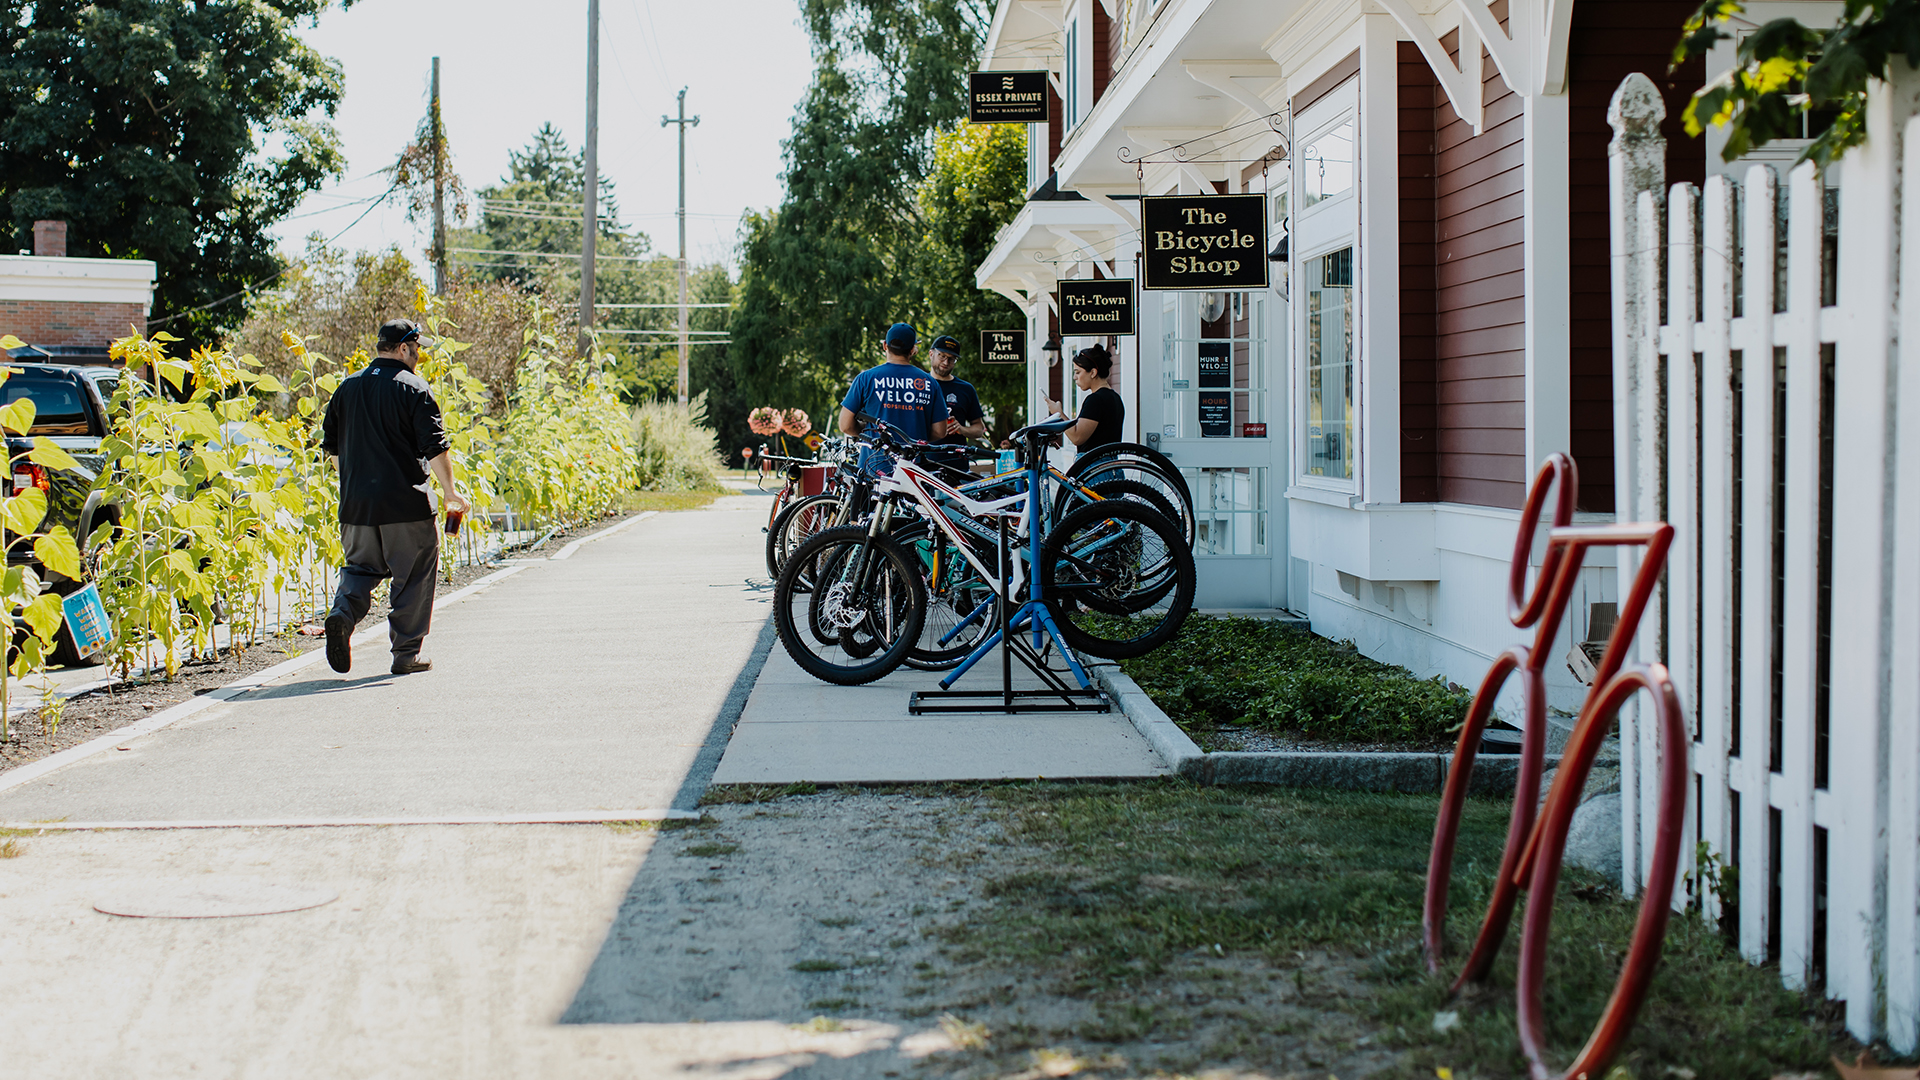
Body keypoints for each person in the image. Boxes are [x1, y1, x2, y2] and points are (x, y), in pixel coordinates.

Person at [320, 318, 471, 676]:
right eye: (417, 349)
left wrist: (352, 487)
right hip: (406, 504)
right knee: (415, 572)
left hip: (356, 507)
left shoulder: (347, 388)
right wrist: (450, 492)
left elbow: (333, 448)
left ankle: (342, 614)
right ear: (403, 348)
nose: (418, 356)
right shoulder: (414, 389)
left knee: (360, 568)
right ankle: (406, 654)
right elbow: (435, 447)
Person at [838, 323, 949, 466]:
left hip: (874, 470)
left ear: (885, 345)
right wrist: (915, 435)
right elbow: (940, 431)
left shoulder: (866, 378)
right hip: (913, 471)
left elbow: (845, 425)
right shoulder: (930, 382)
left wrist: (866, 432)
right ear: (912, 350)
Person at [1042, 343, 1123, 452]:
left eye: (1078, 372)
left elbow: (1077, 437)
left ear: (1093, 372)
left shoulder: (1095, 400)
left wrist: (1058, 414)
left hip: (1093, 465)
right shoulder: (1115, 398)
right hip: (1110, 464)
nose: (1075, 377)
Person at [927, 334, 985, 474]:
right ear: (931, 354)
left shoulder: (965, 389)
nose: (946, 362)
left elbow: (979, 428)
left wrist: (961, 429)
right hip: (923, 465)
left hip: (957, 467)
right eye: (942, 356)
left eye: (951, 359)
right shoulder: (919, 384)